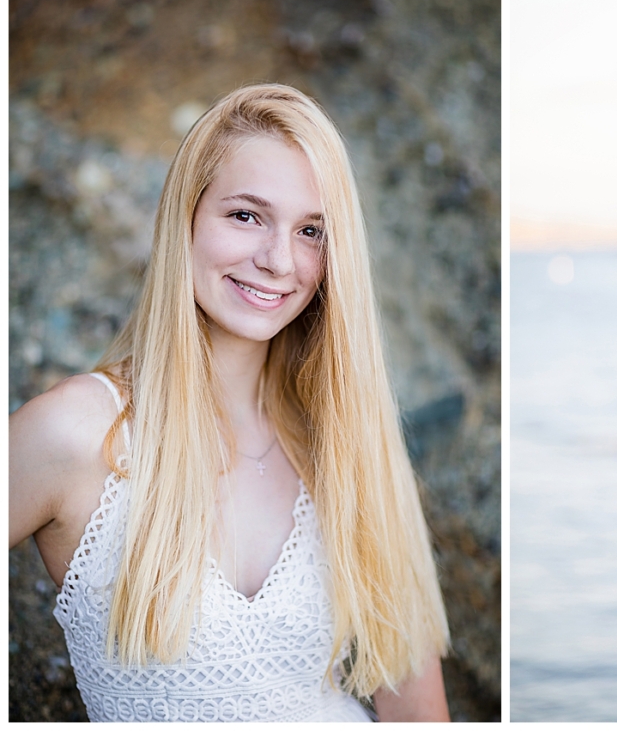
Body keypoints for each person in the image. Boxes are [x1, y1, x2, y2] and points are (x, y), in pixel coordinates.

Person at [10, 84, 450, 722]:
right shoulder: (76, 433)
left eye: (310, 231)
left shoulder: (347, 443)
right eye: (246, 215)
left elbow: (415, 706)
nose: (278, 260)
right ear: (185, 218)